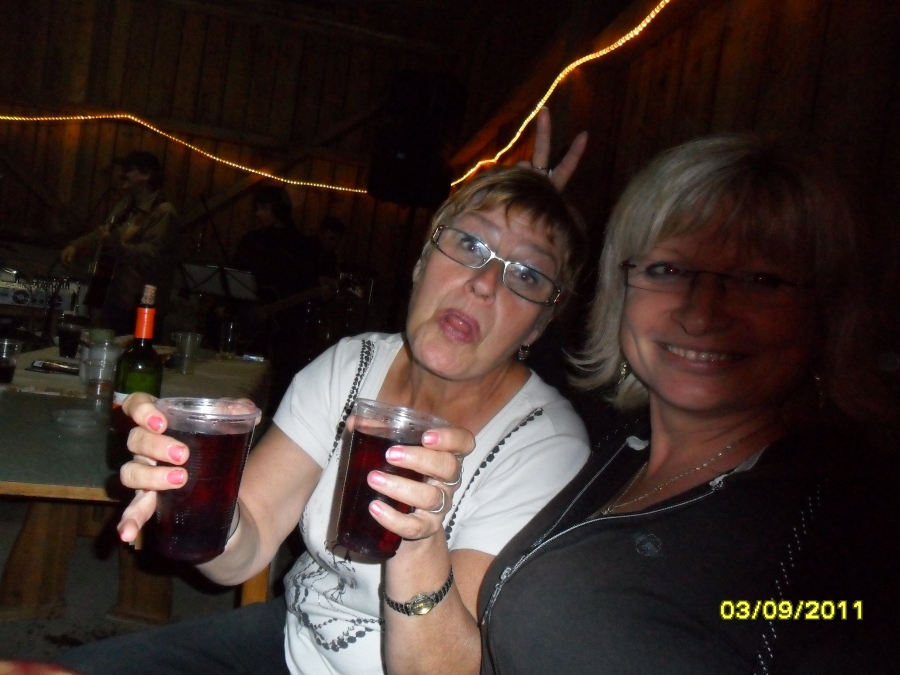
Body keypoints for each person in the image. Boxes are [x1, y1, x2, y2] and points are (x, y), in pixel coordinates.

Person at [57, 143, 593, 673]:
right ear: (422, 260)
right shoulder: (350, 364)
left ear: (540, 326)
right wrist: (196, 491)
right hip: (292, 638)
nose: (484, 283)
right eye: (471, 244)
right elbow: (247, 545)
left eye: (526, 274)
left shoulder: (548, 448)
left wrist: (417, 544)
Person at [479, 135, 898, 674]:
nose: (700, 315)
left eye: (759, 280)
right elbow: (510, 354)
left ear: (826, 313)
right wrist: (521, 236)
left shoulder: (840, 539)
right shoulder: (624, 442)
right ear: (621, 289)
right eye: (668, 270)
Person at [61, 151, 181, 335]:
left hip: (138, 305)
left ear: (146, 174)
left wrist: (119, 248)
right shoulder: (126, 205)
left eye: (128, 170)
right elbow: (104, 232)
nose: (120, 174)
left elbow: (152, 254)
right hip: (112, 297)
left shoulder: (164, 212)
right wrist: (76, 245)